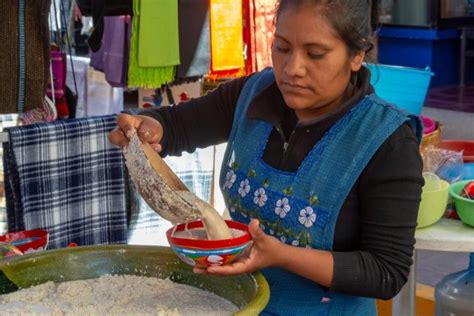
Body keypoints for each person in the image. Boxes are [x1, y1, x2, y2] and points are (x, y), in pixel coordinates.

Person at [109, 0, 424, 314]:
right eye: (282, 47)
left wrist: (282, 255)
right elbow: (177, 126)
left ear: (356, 55)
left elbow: (386, 272)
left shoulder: (386, 140)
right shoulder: (253, 94)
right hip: (240, 303)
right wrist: (148, 128)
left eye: (315, 54)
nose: (292, 69)